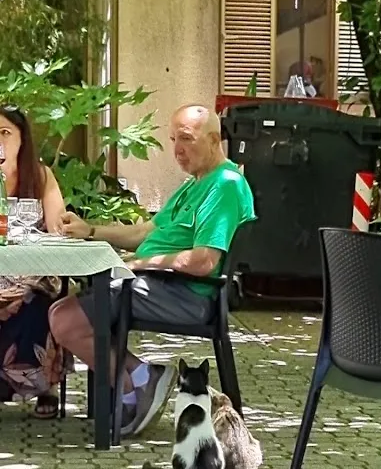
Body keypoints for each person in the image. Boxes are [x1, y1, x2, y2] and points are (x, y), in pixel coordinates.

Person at [49, 105, 256, 438]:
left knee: (64, 319)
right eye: (174, 139)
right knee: (61, 310)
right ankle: (141, 380)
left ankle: (141, 382)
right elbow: (145, 233)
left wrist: (135, 266)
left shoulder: (225, 185)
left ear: (215, 140)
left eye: (187, 139)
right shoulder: (196, 184)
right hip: (158, 286)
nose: (177, 150)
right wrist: (91, 231)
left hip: (186, 295)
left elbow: (203, 261)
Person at [0, 105, 70, 419]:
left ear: (22, 139)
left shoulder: (40, 176)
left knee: (36, 300)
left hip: (35, 270)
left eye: (4, 133)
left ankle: (45, 386)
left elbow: (58, 229)